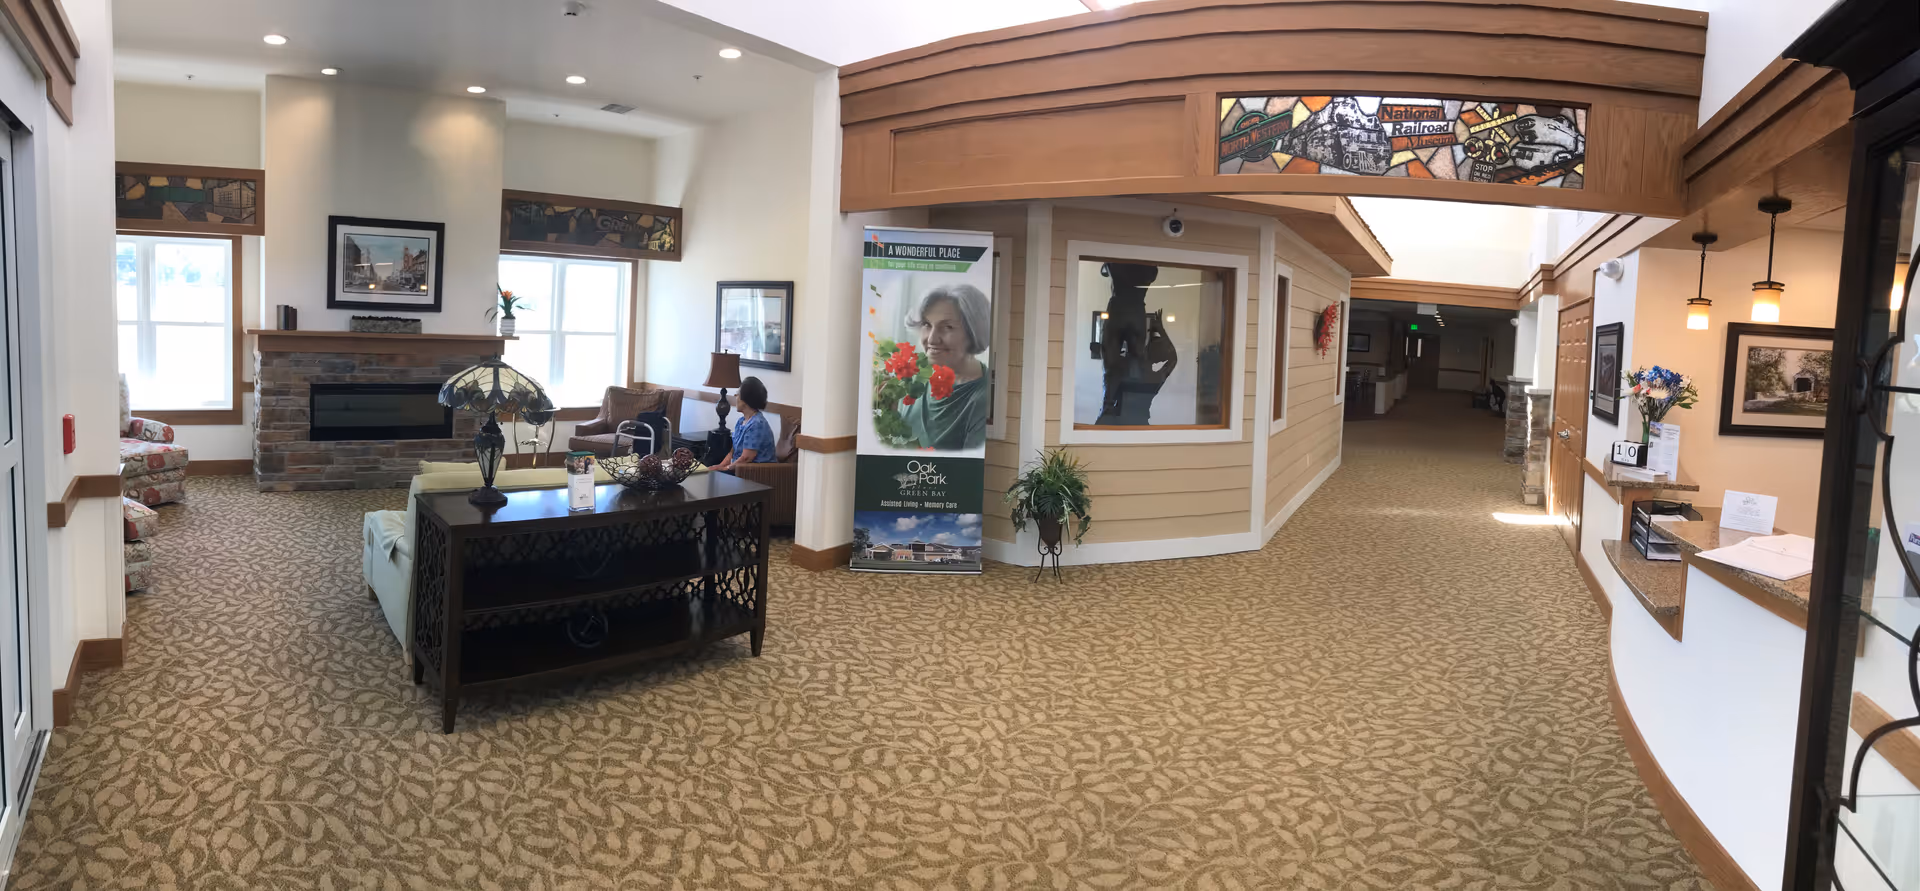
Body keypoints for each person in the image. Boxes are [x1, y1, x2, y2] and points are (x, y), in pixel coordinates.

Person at [899, 284, 990, 451]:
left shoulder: (983, 399)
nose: (932, 339)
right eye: (927, 324)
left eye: (947, 327)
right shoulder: (912, 377)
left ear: (973, 333)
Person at [714, 376, 776, 472]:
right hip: (737, 469)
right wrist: (718, 466)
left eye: (738, 393)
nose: (735, 396)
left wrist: (725, 469)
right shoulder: (740, 422)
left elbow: (746, 458)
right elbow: (733, 452)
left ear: (746, 399)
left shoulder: (757, 424)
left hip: (754, 473)